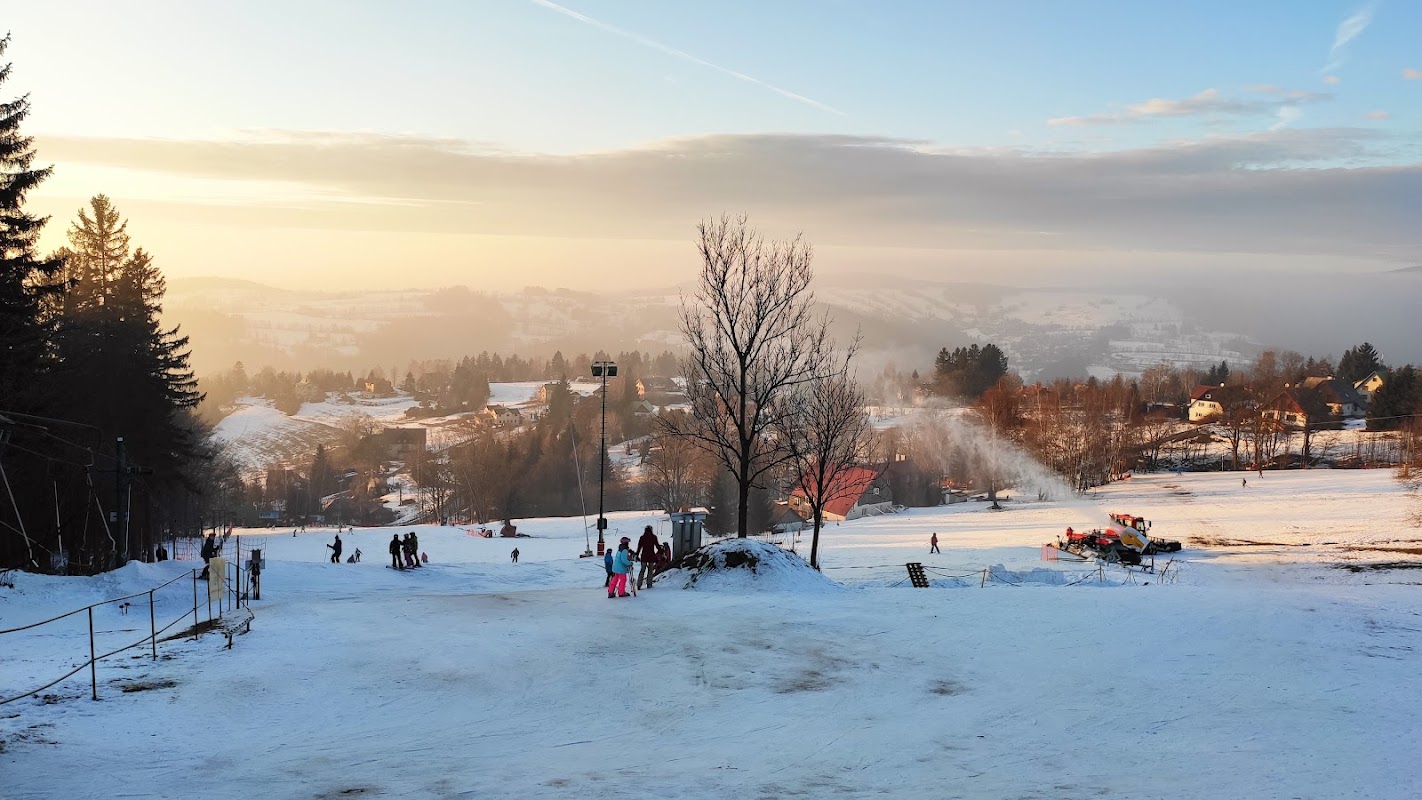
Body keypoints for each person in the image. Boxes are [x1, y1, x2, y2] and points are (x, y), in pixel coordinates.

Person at [635, 525, 660, 589]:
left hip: (644, 556)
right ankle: (649, 583)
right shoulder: (654, 537)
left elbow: (639, 547)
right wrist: (661, 550)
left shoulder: (642, 537)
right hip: (651, 556)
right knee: (650, 570)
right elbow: (657, 546)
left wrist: (637, 554)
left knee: (642, 570)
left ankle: (639, 584)